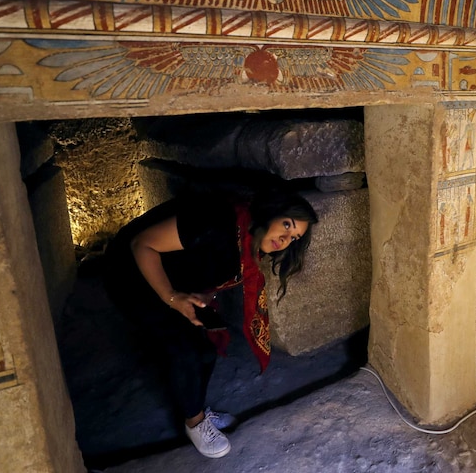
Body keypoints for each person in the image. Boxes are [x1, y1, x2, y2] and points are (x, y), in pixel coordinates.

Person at [103, 187, 319, 459]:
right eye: (287, 225)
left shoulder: (251, 238)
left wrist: (207, 293)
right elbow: (142, 244)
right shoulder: (216, 220)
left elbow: (213, 266)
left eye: (295, 237)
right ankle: (194, 423)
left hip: (173, 277)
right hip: (133, 274)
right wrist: (172, 298)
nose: (286, 239)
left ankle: (197, 411)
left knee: (205, 349)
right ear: (272, 212)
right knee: (184, 350)